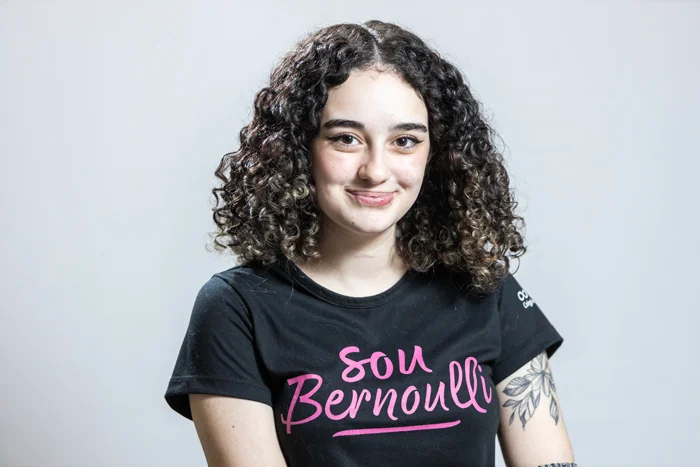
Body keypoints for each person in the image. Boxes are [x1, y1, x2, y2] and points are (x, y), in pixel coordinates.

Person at [164, 19, 576, 467]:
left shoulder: (486, 290)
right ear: (299, 147)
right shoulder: (236, 309)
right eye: (347, 139)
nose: (376, 170)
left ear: (435, 154)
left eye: (405, 141)